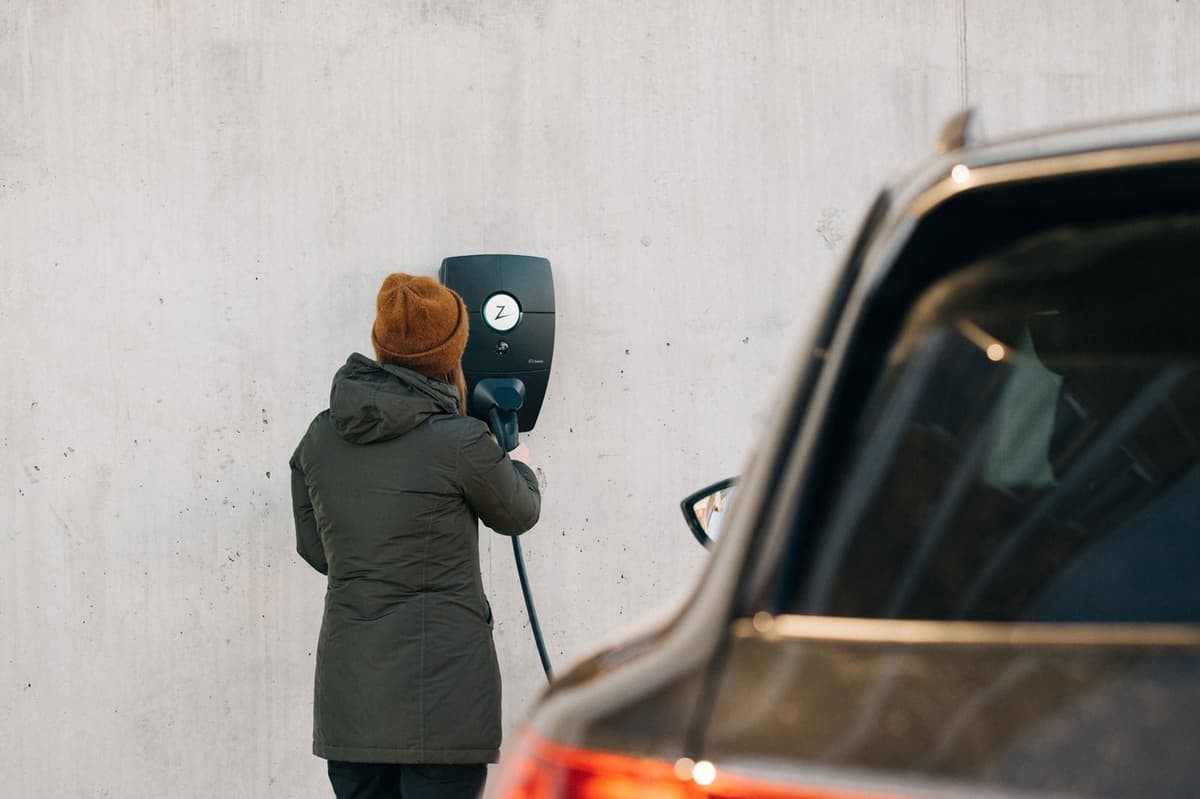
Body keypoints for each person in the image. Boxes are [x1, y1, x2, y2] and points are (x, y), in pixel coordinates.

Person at [289, 273, 542, 798]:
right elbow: (519, 514)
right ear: (452, 352)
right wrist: (518, 463)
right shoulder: (462, 441)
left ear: (381, 345)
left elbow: (319, 550)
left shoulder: (319, 436)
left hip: (352, 702)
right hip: (443, 704)